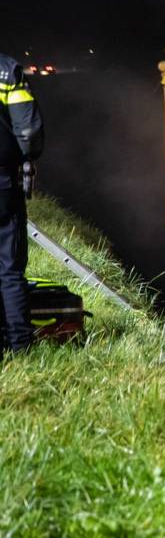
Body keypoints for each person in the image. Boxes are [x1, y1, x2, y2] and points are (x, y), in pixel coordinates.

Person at [0, 53, 44, 357]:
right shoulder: (6, 70)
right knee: (9, 269)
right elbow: (28, 132)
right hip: (2, 183)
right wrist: (28, 156)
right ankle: (21, 349)